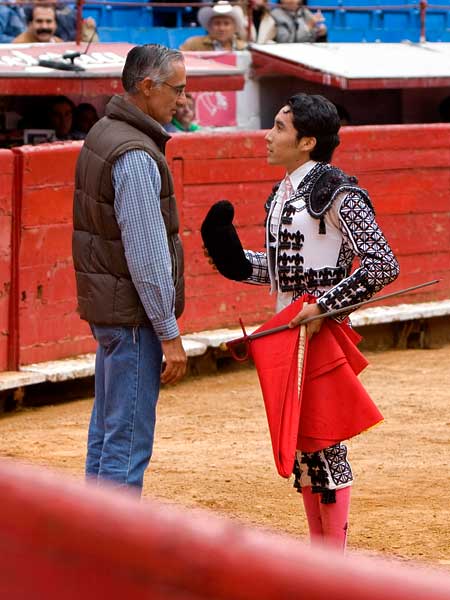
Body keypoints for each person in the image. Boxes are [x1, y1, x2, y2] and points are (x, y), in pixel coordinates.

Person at [202, 93, 400, 550]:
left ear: (307, 141)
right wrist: (235, 261)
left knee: (325, 443)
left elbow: (383, 265)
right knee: (306, 448)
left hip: (321, 332)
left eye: (279, 127)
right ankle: (321, 559)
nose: (268, 136)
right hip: (290, 330)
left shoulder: (337, 192)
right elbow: (281, 271)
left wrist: (326, 305)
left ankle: (332, 564)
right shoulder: (284, 192)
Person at [72, 44, 188, 492]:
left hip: (110, 311)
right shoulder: (136, 154)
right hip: (134, 318)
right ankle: (110, 556)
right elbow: (146, 251)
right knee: (126, 441)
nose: (181, 100)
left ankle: (91, 545)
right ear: (147, 86)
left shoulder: (104, 132)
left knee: (106, 434)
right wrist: (168, 331)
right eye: (176, 90)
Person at [180, 1, 247, 51]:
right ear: (209, 26)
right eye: (217, 23)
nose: (222, 28)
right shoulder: (193, 45)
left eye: (226, 24)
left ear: (234, 27)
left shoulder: (243, 48)